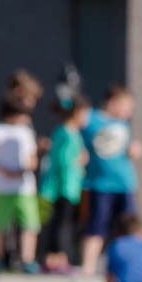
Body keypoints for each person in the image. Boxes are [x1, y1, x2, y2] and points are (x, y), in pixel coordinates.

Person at [79, 84, 142, 274]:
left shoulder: (123, 125)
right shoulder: (91, 118)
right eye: (126, 107)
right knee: (97, 225)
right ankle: (88, 266)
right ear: (114, 102)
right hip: (100, 184)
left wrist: (134, 151)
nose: (129, 112)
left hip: (125, 184)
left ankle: (131, 266)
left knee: (129, 227)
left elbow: (125, 149)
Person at [0, 96, 40, 273]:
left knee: (29, 223)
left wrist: (22, 170)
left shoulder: (26, 132)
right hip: (2, 187)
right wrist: (6, 171)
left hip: (25, 188)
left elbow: (32, 158)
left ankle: (27, 259)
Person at [38, 96, 90, 272]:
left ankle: (56, 259)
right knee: (62, 225)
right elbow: (64, 161)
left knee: (62, 223)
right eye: (85, 113)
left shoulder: (67, 132)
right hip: (63, 187)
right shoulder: (67, 133)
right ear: (76, 113)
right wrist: (80, 161)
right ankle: (58, 259)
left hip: (67, 187)